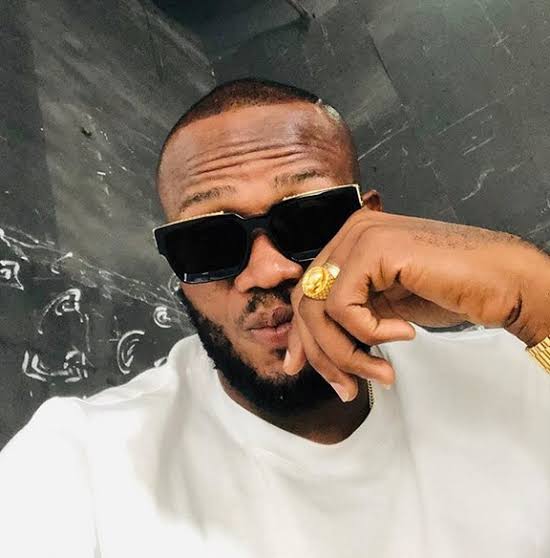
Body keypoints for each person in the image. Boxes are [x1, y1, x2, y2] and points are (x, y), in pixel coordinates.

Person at [1, 78, 549, 558]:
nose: (267, 270)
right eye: (207, 241)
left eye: (309, 221)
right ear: (177, 269)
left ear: (374, 225)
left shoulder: (522, 368)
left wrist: (536, 294)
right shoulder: (80, 466)